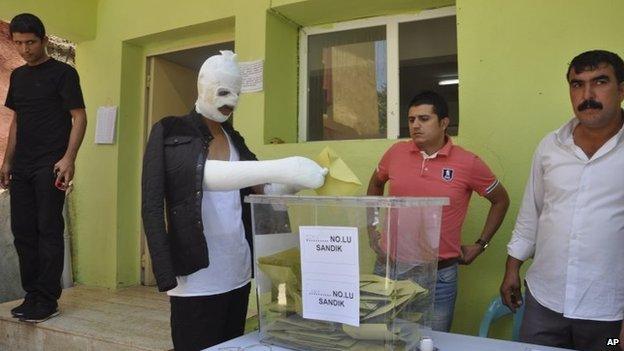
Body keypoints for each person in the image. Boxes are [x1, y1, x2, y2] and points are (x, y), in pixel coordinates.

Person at [141, 50, 326, 351]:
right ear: (202, 86)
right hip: (197, 277)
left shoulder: (234, 139)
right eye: (225, 91)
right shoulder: (170, 130)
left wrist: (299, 181)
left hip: (237, 271)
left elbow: (261, 187)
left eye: (238, 94)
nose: (232, 102)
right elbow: (198, 179)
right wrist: (163, 269)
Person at [500, 50, 624, 351]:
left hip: (608, 309)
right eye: (577, 84)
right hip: (545, 300)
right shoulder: (551, 146)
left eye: (600, 82)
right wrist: (512, 267)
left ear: (621, 89)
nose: (587, 94)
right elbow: (533, 212)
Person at [367, 91, 509, 332]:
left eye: (424, 119)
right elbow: (376, 183)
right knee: (378, 339)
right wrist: (371, 228)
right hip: (389, 268)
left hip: (439, 275)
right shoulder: (396, 153)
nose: (415, 125)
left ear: (444, 123)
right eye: (411, 120)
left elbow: (500, 200)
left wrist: (481, 244)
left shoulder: (468, 162)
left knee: (432, 341)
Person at [0, 13, 87, 323]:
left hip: (51, 164)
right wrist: (7, 160)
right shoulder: (19, 77)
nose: (25, 49)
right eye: (19, 43)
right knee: (22, 231)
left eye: (31, 42)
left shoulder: (63, 74)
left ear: (44, 40)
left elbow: (79, 117)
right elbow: (17, 121)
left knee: (47, 228)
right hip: (22, 164)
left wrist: (69, 158)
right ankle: (32, 294)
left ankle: (48, 299)